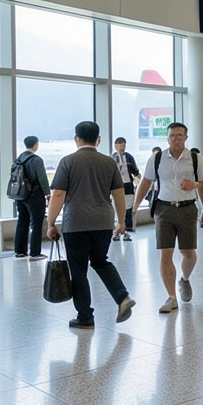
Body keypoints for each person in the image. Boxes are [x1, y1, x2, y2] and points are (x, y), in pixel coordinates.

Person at [46, 121, 136, 329]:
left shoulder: (68, 161)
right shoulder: (108, 162)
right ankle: (122, 297)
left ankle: (85, 316)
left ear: (76, 138)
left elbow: (58, 194)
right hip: (104, 222)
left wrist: (51, 223)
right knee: (100, 261)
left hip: (75, 223)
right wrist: (121, 220)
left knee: (78, 270)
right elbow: (119, 193)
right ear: (99, 140)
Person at [132, 123, 203, 313]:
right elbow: (146, 182)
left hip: (187, 209)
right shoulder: (157, 158)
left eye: (180, 135)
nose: (176, 138)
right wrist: (135, 205)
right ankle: (171, 297)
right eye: (172, 135)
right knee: (165, 253)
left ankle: (184, 279)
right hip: (163, 209)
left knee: (188, 252)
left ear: (186, 137)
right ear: (167, 138)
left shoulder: (195, 158)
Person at [11, 136, 49, 260]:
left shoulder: (18, 159)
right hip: (34, 195)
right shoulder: (36, 160)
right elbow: (42, 177)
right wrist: (47, 193)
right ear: (36, 145)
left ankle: (19, 251)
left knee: (22, 222)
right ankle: (35, 252)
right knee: (36, 224)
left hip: (20, 195)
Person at [111, 138, 141, 241]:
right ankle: (116, 231)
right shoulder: (112, 158)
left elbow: (135, 171)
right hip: (116, 186)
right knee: (117, 207)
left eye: (124, 145)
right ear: (116, 146)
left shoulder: (129, 157)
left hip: (128, 185)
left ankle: (127, 230)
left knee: (128, 207)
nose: (122, 147)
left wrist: (137, 179)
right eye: (120, 145)